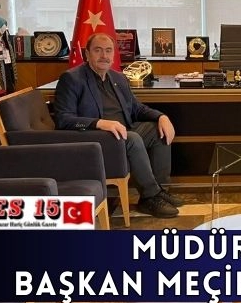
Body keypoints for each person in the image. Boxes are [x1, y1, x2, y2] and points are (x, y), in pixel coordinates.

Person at [54, 33, 183, 218]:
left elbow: (136, 108)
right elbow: (63, 119)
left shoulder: (118, 78)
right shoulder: (72, 79)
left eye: (108, 51)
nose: (104, 56)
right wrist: (99, 123)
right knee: (133, 138)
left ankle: (160, 189)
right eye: (98, 50)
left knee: (158, 131)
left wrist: (161, 117)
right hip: (95, 137)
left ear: (114, 54)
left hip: (123, 131)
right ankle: (150, 197)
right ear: (87, 54)